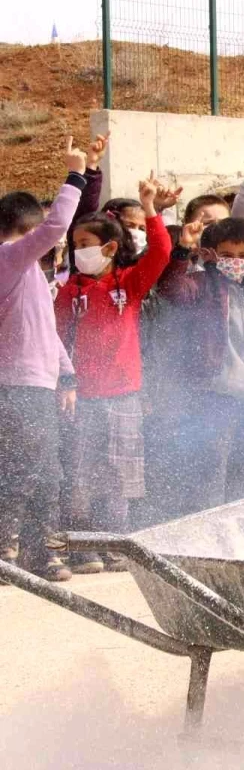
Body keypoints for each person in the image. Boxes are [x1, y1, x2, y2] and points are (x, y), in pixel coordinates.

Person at [55, 174, 171, 572]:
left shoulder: (130, 284)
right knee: (83, 470)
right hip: (84, 397)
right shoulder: (71, 291)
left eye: (86, 246)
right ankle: (83, 545)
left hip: (124, 396)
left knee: (122, 472)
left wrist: (152, 209)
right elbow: (57, 338)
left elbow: (161, 252)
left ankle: (116, 542)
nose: (80, 253)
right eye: (75, 247)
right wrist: (64, 382)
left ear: (110, 247)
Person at [156, 191, 244, 519]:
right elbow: (171, 288)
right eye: (228, 254)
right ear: (210, 254)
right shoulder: (203, 284)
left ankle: (239, 536)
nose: (236, 260)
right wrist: (183, 249)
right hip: (217, 398)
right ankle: (203, 537)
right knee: (211, 474)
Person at [0, 139, 86, 582]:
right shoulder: (8, 258)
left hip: (38, 386)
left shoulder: (29, 272)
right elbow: (55, 229)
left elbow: (46, 333)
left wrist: (67, 376)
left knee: (44, 471)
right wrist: (75, 176)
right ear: (24, 231)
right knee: (22, 469)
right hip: (14, 388)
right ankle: (9, 551)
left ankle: (40, 552)